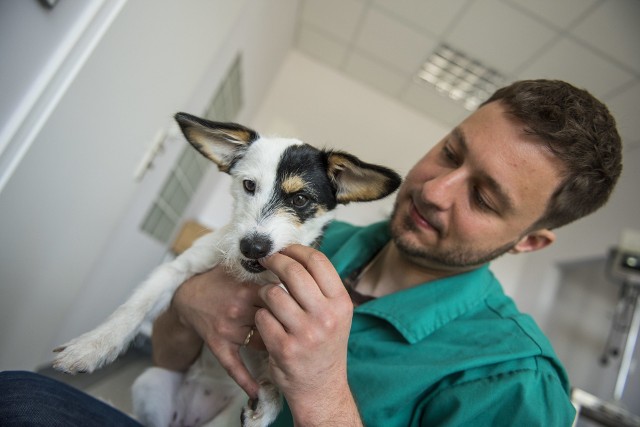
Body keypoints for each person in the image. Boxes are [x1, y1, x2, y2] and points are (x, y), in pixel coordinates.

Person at [0, 79, 622, 426]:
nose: (432, 189)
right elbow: (172, 348)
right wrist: (189, 301)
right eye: (452, 152)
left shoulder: (514, 384)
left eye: (484, 197)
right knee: (19, 398)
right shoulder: (334, 240)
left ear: (532, 241)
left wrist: (322, 393)